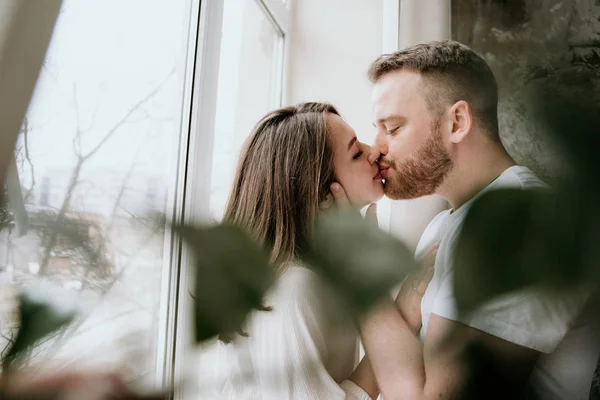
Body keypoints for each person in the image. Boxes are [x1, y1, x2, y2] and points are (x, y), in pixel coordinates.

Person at [330, 40, 600, 399]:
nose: (376, 147)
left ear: (457, 122)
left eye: (392, 129)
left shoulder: (514, 227)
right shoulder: (445, 226)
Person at [195, 102, 382, 399]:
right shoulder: (294, 288)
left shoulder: (311, 278)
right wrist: (403, 323)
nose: (374, 151)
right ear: (322, 193)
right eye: (356, 153)